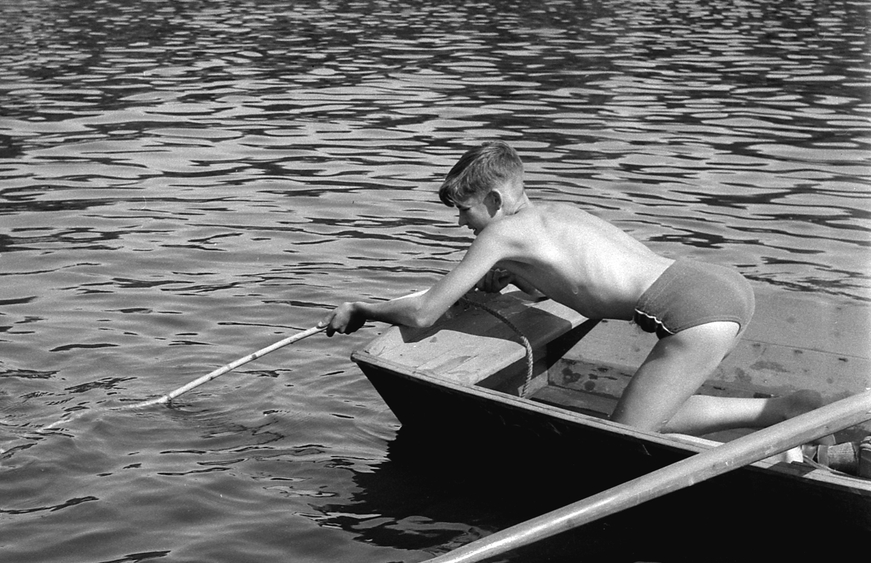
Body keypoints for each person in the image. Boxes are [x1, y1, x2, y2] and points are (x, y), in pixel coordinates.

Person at [323, 142, 819, 437]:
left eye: (465, 210)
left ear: (494, 200)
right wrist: (520, 278)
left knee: (625, 436)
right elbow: (573, 287)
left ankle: (779, 414)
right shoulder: (556, 214)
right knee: (647, 414)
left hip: (688, 309)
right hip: (716, 283)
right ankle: (783, 411)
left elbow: (425, 313)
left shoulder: (500, 233)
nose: (461, 224)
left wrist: (362, 308)